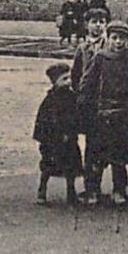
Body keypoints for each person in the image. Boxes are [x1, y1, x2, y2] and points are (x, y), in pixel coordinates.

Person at [80, 20, 128, 206]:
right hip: (102, 112)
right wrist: (87, 104)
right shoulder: (100, 57)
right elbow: (87, 82)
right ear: (108, 38)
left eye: (122, 38)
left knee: (119, 156)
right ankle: (93, 190)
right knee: (96, 156)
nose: (118, 42)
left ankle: (119, 190)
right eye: (114, 38)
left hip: (124, 113)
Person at [32, 63, 81, 207]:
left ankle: (71, 193)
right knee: (48, 165)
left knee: (71, 167)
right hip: (53, 140)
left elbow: (75, 116)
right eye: (64, 79)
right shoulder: (50, 100)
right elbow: (44, 121)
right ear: (55, 82)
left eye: (69, 78)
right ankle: (42, 191)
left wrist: (74, 130)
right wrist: (46, 138)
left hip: (69, 138)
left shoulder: (71, 97)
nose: (69, 82)